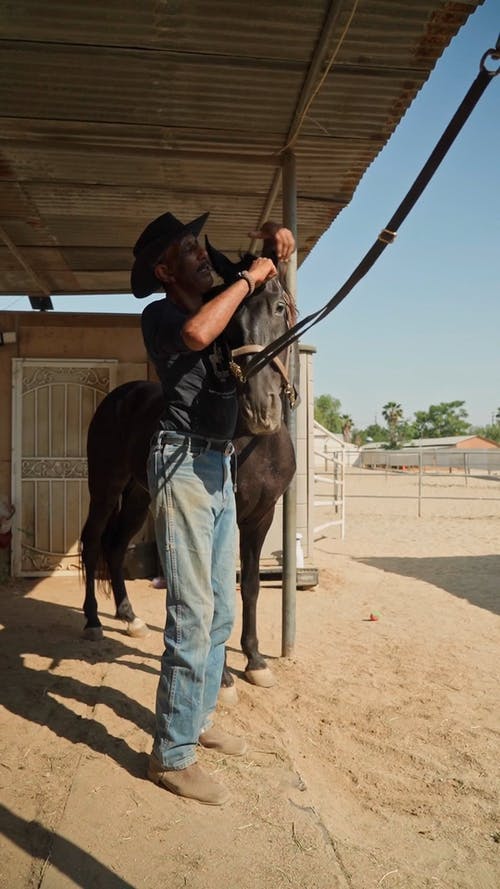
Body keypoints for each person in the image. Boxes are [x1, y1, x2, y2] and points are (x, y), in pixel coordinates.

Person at [130, 211, 295, 805]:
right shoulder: (164, 316)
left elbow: (266, 282)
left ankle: (196, 720)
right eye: (190, 250)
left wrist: (277, 239)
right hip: (182, 466)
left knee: (222, 605)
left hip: (218, 465)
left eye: (202, 247)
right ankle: (171, 756)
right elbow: (202, 334)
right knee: (193, 611)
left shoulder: (223, 298)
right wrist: (247, 280)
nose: (203, 256)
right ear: (163, 269)